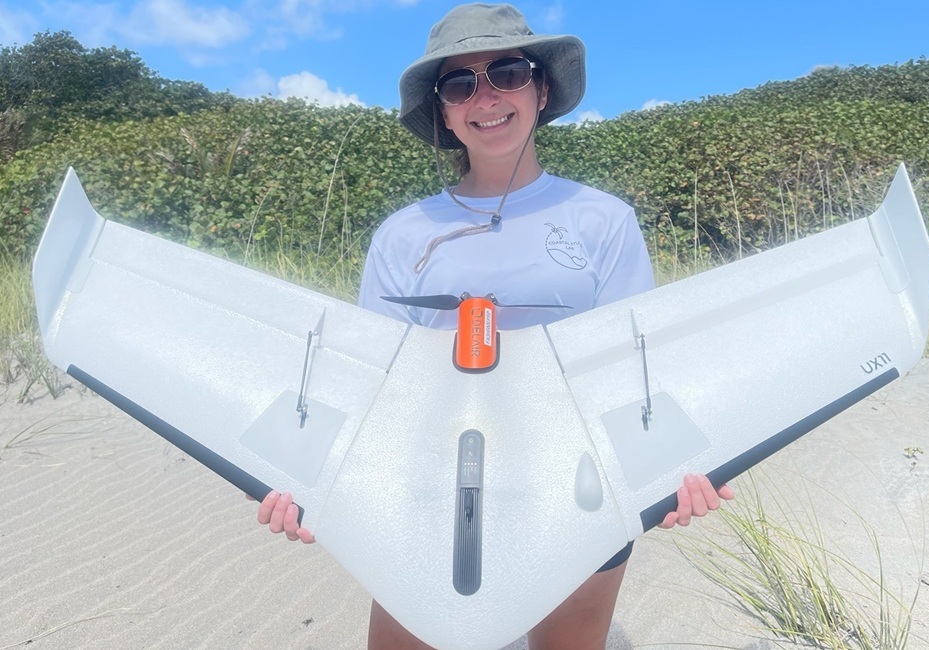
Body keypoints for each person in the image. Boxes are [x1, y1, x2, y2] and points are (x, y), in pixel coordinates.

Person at [256, 4, 734, 649]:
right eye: (460, 84)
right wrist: (302, 478)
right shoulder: (403, 234)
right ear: (444, 112)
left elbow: (635, 364)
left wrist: (683, 463)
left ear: (540, 88)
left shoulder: (603, 220)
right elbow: (369, 382)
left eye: (507, 72)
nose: (486, 96)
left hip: (576, 485)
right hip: (425, 489)